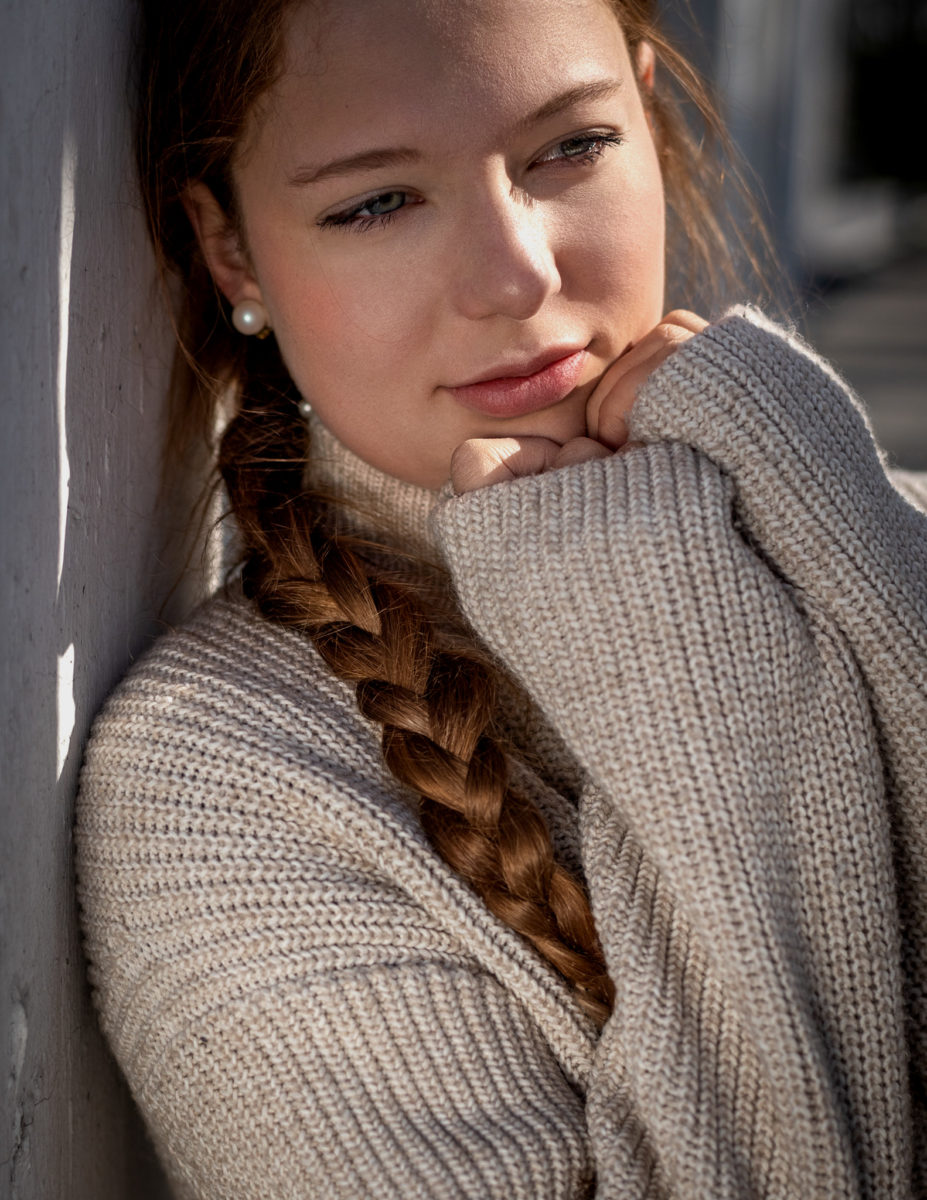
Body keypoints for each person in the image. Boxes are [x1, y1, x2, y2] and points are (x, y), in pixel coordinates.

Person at [75, 0, 927, 1195]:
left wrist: (850, 530)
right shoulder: (228, 783)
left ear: (647, 109)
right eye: (375, 202)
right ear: (230, 252)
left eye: (570, 147)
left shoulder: (871, 514)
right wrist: (668, 648)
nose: (518, 274)